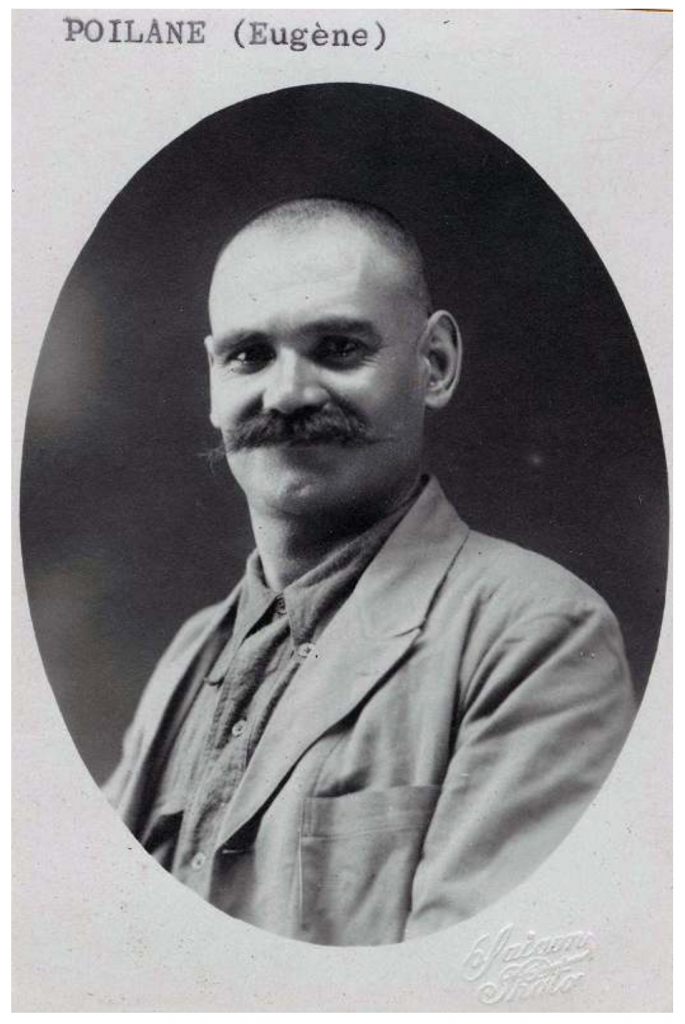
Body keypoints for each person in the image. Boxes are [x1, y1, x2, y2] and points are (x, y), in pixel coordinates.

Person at [104, 197, 636, 946]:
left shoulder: (536, 634)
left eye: (338, 347)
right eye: (249, 355)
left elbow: (474, 978)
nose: (286, 394)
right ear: (214, 380)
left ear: (434, 364)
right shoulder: (191, 654)